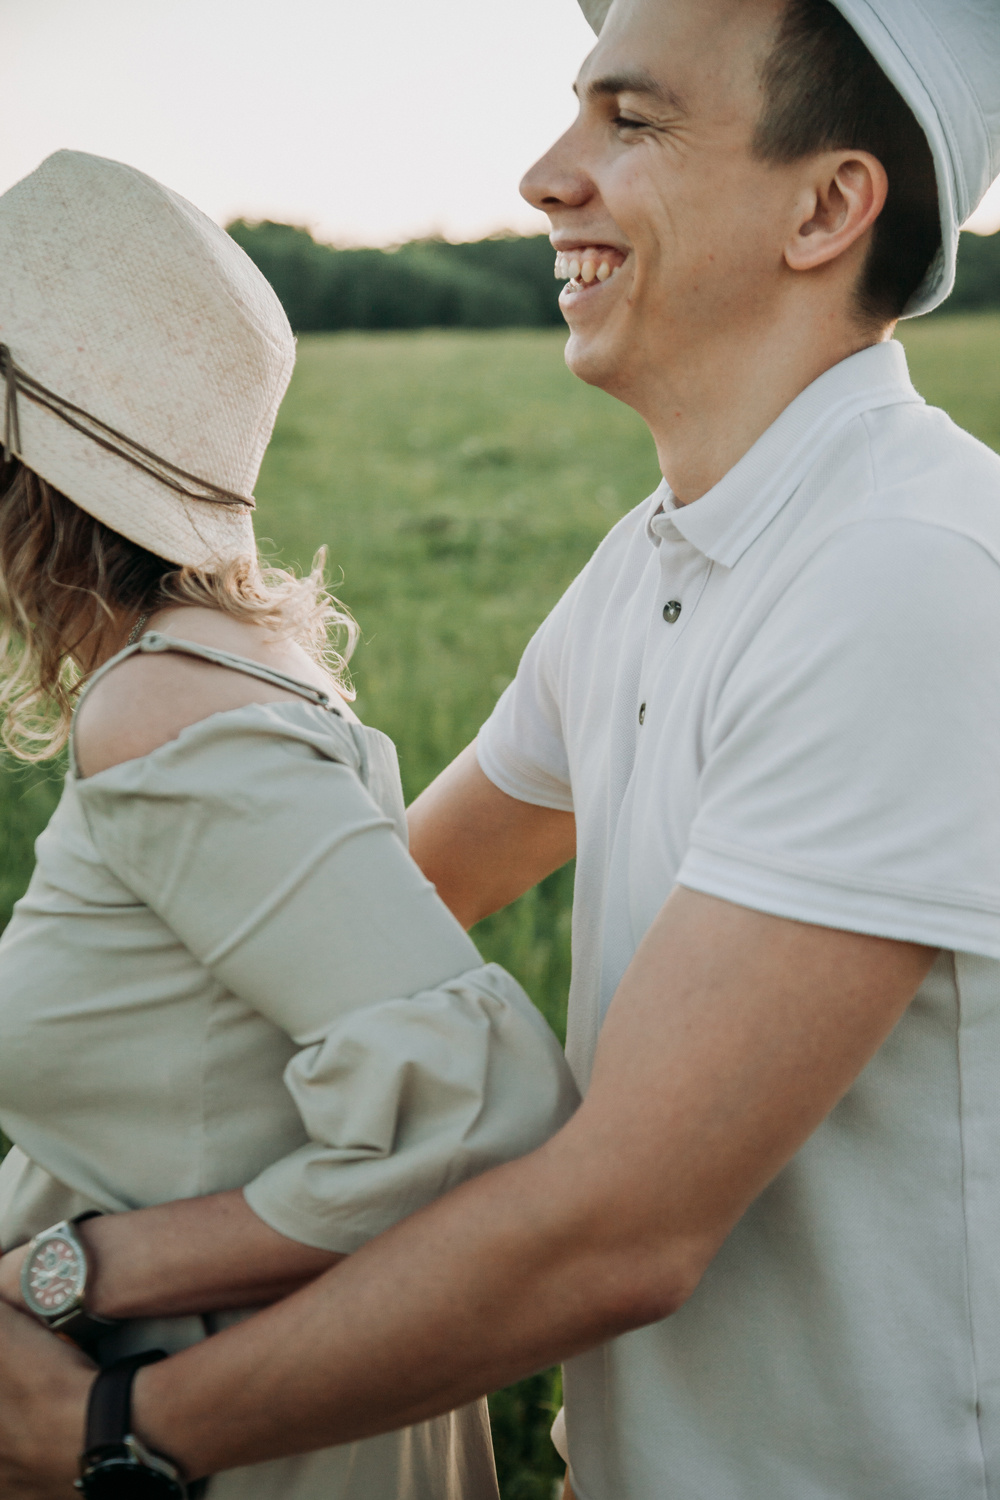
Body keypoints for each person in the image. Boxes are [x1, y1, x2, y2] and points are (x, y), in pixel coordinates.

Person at [3, 0, 1000, 1497]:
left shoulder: (901, 575)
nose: (546, 173)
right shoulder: (653, 568)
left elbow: (622, 1229)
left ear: (828, 206)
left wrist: (110, 1417)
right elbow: (391, 898)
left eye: (632, 120)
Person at [0, 148, 578, 1500]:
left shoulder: (163, 709)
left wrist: (69, 1268)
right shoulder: (234, 664)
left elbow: (474, 1101)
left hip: (192, 1430)